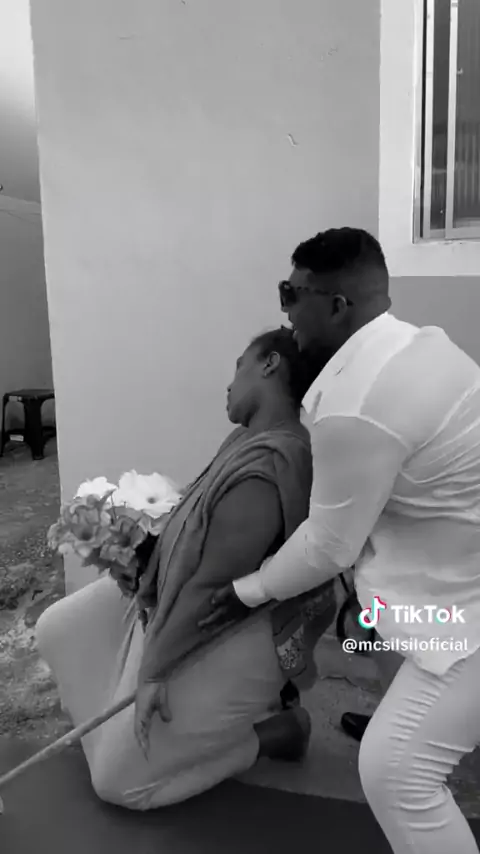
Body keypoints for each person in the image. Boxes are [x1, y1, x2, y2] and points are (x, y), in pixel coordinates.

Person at [202, 227, 480, 854]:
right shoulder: (420, 346)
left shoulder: (357, 401)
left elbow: (328, 546)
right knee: (390, 655)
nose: (284, 313)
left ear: (335, 305)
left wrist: (248, 591)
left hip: (464, 611)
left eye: (291, 294)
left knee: (396, 772)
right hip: (435, 583)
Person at [36, 327, 336, 810]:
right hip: (180, 599)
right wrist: (139, 560)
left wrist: (155, 671)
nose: (229, 384)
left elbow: (211, 587)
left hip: (230, 625)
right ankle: (140, 739)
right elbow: (194, 531)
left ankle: (279, 730)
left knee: (116, 784)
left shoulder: (272, 462)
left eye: (239, 366)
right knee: (58, 627)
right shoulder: (245, 439)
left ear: (269, 364)